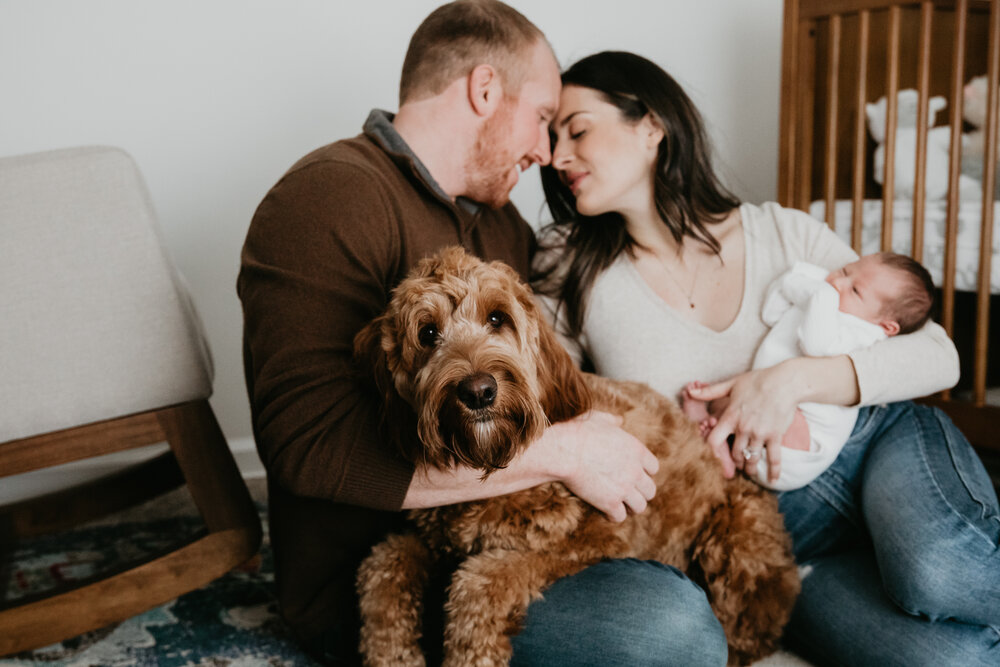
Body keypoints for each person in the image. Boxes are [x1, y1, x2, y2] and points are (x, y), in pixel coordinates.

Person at [238, 4, 726, 665]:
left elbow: (556, 370)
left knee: (722, 561)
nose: (548, 153)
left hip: (510, 537)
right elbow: (308, 447)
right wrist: (566, 453)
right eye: (545, 120)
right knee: (673, 629)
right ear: (485, 90)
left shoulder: (503, 230)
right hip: (391, 583)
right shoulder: (327, 198)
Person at [536, 50, 1000, 666]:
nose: (555, 156)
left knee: (939, 573)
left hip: (873, 449)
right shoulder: (566, 265)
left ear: (650, 126)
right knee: (955, 661)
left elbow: (940, 353)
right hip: (777, 537)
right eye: (551, 138)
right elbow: (555, 411)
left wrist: (789, 381)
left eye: (578, 130)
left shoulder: (780, 231)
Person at [682, 252, 935, 491]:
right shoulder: (826, 306)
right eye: (845, 270)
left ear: (887, 326)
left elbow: (816, 346)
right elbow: (771, 312)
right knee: (731, 396)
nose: (838, 281)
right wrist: (799, 277)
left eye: (855, 290)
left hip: (804, 445)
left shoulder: (862, 332)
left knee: (774, 413)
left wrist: (818, 290)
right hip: (761, 406)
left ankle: (721, 455)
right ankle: (714, 436)